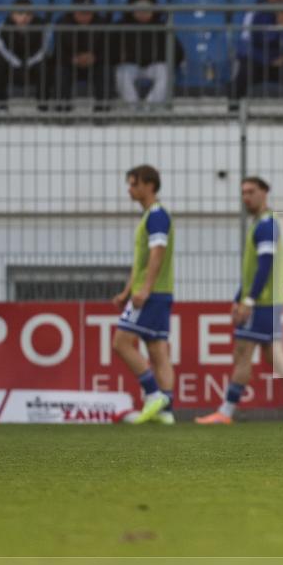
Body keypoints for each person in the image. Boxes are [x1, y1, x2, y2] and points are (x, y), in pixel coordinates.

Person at [196, 176, 283, 424]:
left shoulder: (266, 224)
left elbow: (264, 266)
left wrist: (249, 300)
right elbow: (252, 269)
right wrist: (240, 297)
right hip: (267, 300)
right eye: (243, 192)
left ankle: (225, 412)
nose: (246, 197)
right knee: (273, 354)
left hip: (263, 302)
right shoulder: (262, 223)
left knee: (244, 352)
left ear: (264, 192)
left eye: (251, 191)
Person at [112, 165, 176, 424]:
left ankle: (152, 395)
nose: (130, 189)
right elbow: (140, 260)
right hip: (159, 292)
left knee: (121, 342)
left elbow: (157, 252)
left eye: (133, 183)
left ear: (149, 185)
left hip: (152, 293)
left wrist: (144, 289)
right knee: (157, 349)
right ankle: (166, 412)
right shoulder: (151, 215)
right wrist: (128, 290)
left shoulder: (157, 215)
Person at [229, 0, 283, 112]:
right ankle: (233, 114)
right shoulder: (254, 12)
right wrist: (268, 59)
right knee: (241, 75)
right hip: (258, 61)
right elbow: (246, 44)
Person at [114, 0, 184, 105]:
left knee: (166, 72)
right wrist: (119, 57)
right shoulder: (121, 25)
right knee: (121, 73)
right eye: (139, 10)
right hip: (131, 65)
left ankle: (150, 107)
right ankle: (134, 108)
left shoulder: (162, 26)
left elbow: (178, 51)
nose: (143, 13)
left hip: (153, 65)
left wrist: (163, 59)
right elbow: (110, 49)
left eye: (147, 10)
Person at [51, 0, 113, 111]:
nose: (85, 16)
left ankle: (102, 111)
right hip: (70, 63)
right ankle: (63, 110)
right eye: (81, 12)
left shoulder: (102, 23)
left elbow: (107, 49)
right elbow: (59, 51)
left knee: (105, 71)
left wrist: (94, 58)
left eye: (88, 12)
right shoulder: (62, 23)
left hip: (95, 63)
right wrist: (73, 59)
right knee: (61, 71)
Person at [0, 0, 52, 110]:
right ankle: (1, 106)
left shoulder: (41, 25)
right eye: (20, 13)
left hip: (33, 61)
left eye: (28, 14)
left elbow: (43, 48)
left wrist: (29, 62)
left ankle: (43, 106)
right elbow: (1, 48)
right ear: (12, 14)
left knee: (44, 66)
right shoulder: (3, 26)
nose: (24, 17)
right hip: (13, 62)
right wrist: (16, 62)